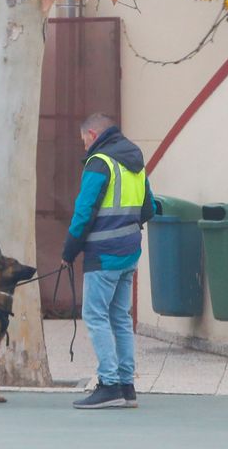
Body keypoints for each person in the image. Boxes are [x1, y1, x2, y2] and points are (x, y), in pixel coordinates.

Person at [62, 113, 154, 410]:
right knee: (120, 318)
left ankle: (109, 383)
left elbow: (84, 211)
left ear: (92, 133)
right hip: (129, 252)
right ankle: (127, 387)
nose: (84, 147)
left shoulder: (100, 162)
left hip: (103, 254)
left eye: (84, 141)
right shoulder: (134, 161)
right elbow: (149, 208)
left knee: (96, 316)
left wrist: (69, 251)